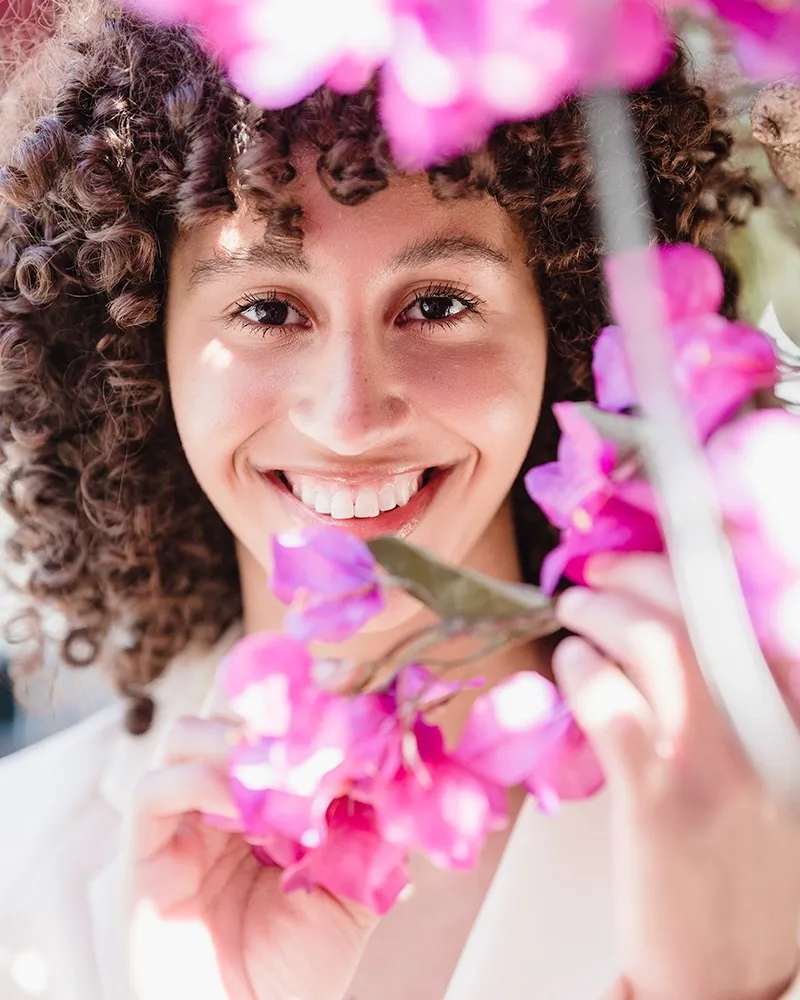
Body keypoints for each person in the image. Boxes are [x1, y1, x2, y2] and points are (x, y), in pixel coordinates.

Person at [0, 2, 798, 999]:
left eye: (435, 304)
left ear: (564, 317)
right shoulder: (21, 871)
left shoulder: (771, 802)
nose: (349, 416)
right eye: (264, 309)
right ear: (137, 353)